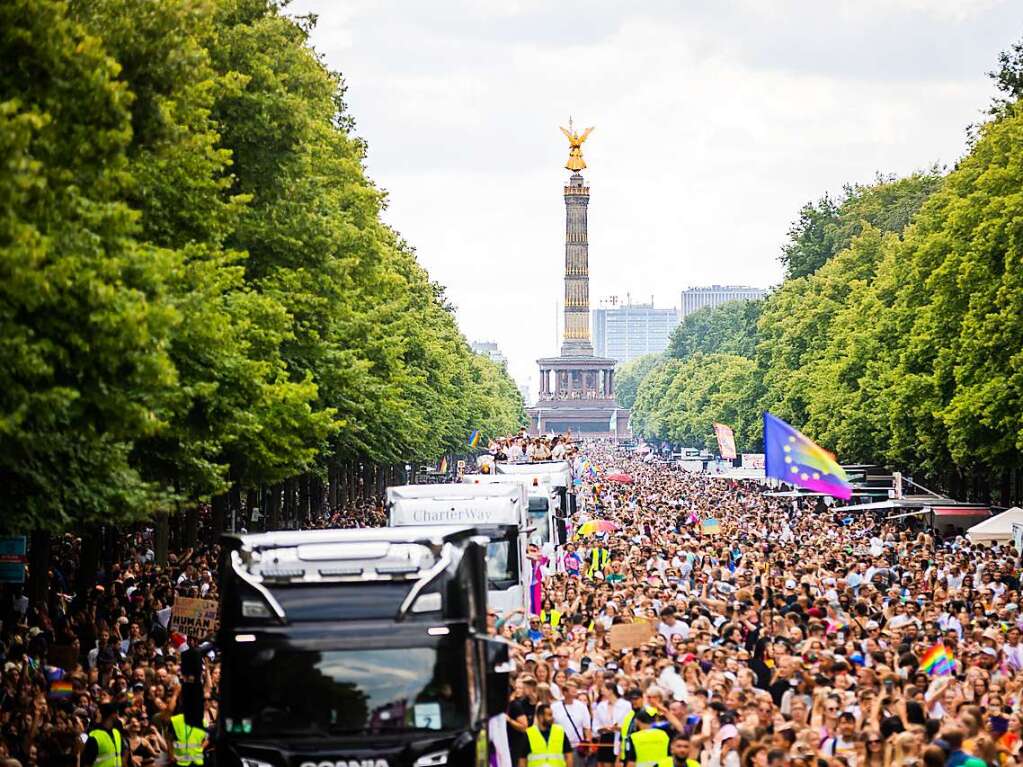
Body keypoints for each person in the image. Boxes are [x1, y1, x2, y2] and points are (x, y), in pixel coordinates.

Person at [82, 702, 130, 767]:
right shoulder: (95, 736)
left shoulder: (116, 733)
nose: (118, 717)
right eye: (117, 714)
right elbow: (87, 764)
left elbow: (121, 755)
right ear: (113, 715)